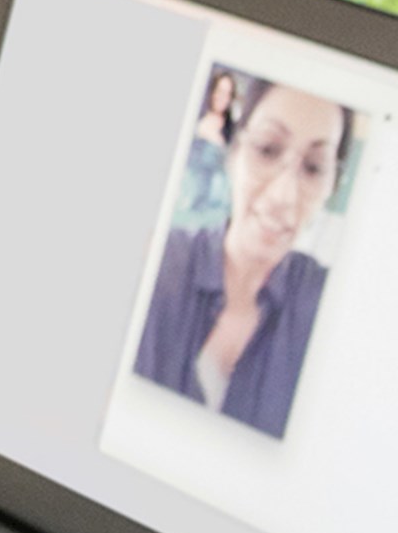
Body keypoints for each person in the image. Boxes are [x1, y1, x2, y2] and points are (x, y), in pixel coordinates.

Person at [131, 76, 352, 440]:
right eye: (267, 150)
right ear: (234, 154)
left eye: (313, 168)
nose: (284, 195)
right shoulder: (157, 263)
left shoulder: (330, 306)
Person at [175, 69, 240, 229]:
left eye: (228, 93)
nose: (222, 97)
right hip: (188, 195)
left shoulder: (231, 130)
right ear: (212, 91)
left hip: (214, 201)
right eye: (220, 91)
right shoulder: (195, 116)